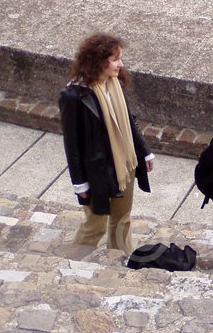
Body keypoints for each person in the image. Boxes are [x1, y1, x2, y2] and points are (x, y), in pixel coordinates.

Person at [59, 33, 154, 254]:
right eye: (115, 59)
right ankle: (72, 263)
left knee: (122, 220)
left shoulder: (115, 84)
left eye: (120, 58)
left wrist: (144, 152)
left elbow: (129, 121)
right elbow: (72, 146)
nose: (120, 64)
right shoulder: (74, 96)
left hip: (125, 165)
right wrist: (80, 184)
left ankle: (120, 261)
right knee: (95, 225)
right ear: (98, 62)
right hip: (97, 171)